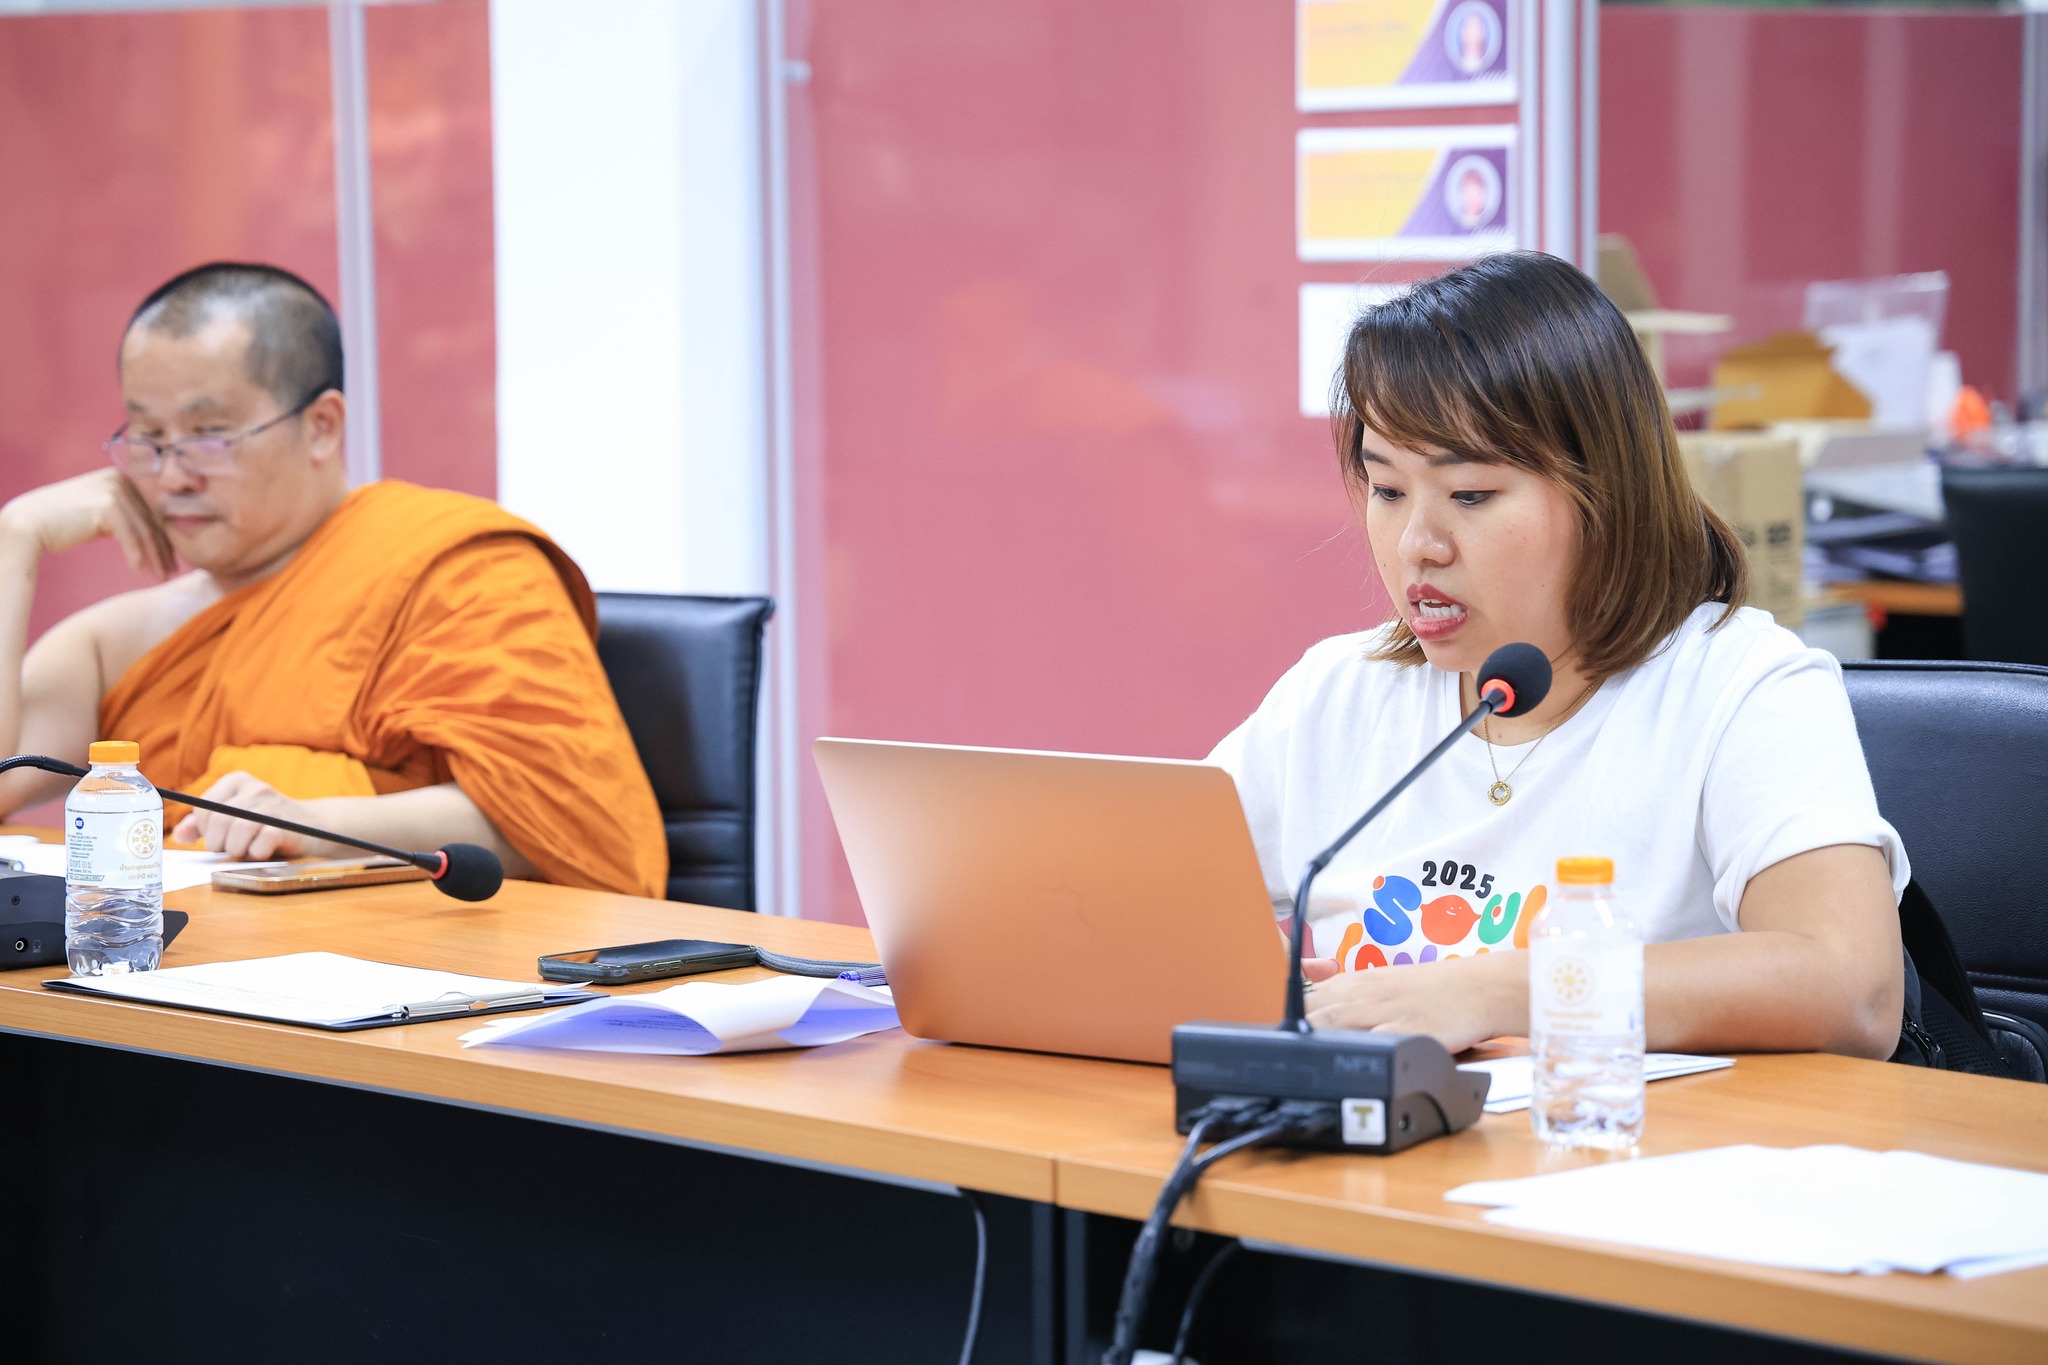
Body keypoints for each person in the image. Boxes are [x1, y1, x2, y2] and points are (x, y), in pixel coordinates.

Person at [1210, 252, 1906, 1059]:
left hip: (1629, 1137)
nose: (1416, 544)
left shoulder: (1740, 685)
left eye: (1470, 494)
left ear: (1601, 493)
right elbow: (1139, 897)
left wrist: (1498, 990)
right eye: (1387, 490)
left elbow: (1854, 987)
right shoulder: (1337, 694)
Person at [0, 262, 667, 898]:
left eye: (208, 436)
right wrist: (13, 540)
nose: (171, 476)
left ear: (321, 427)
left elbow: (560, 823)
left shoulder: (456, 572)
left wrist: (312, 822)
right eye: (148, 438)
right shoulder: (113, 644)